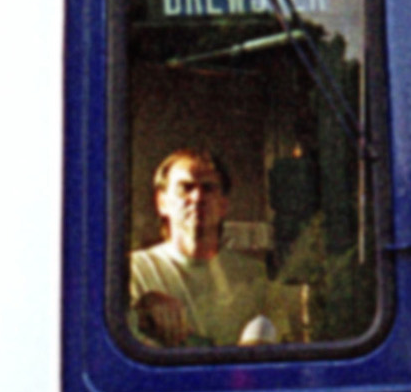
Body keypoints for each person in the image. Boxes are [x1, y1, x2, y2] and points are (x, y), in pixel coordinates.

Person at [129, 150, 309, 349]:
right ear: (162, 202)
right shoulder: (133, 272)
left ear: (223, 205)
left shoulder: (257, 278)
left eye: (208, 188)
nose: (197, 197)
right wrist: (143, 311)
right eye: (186, 188)